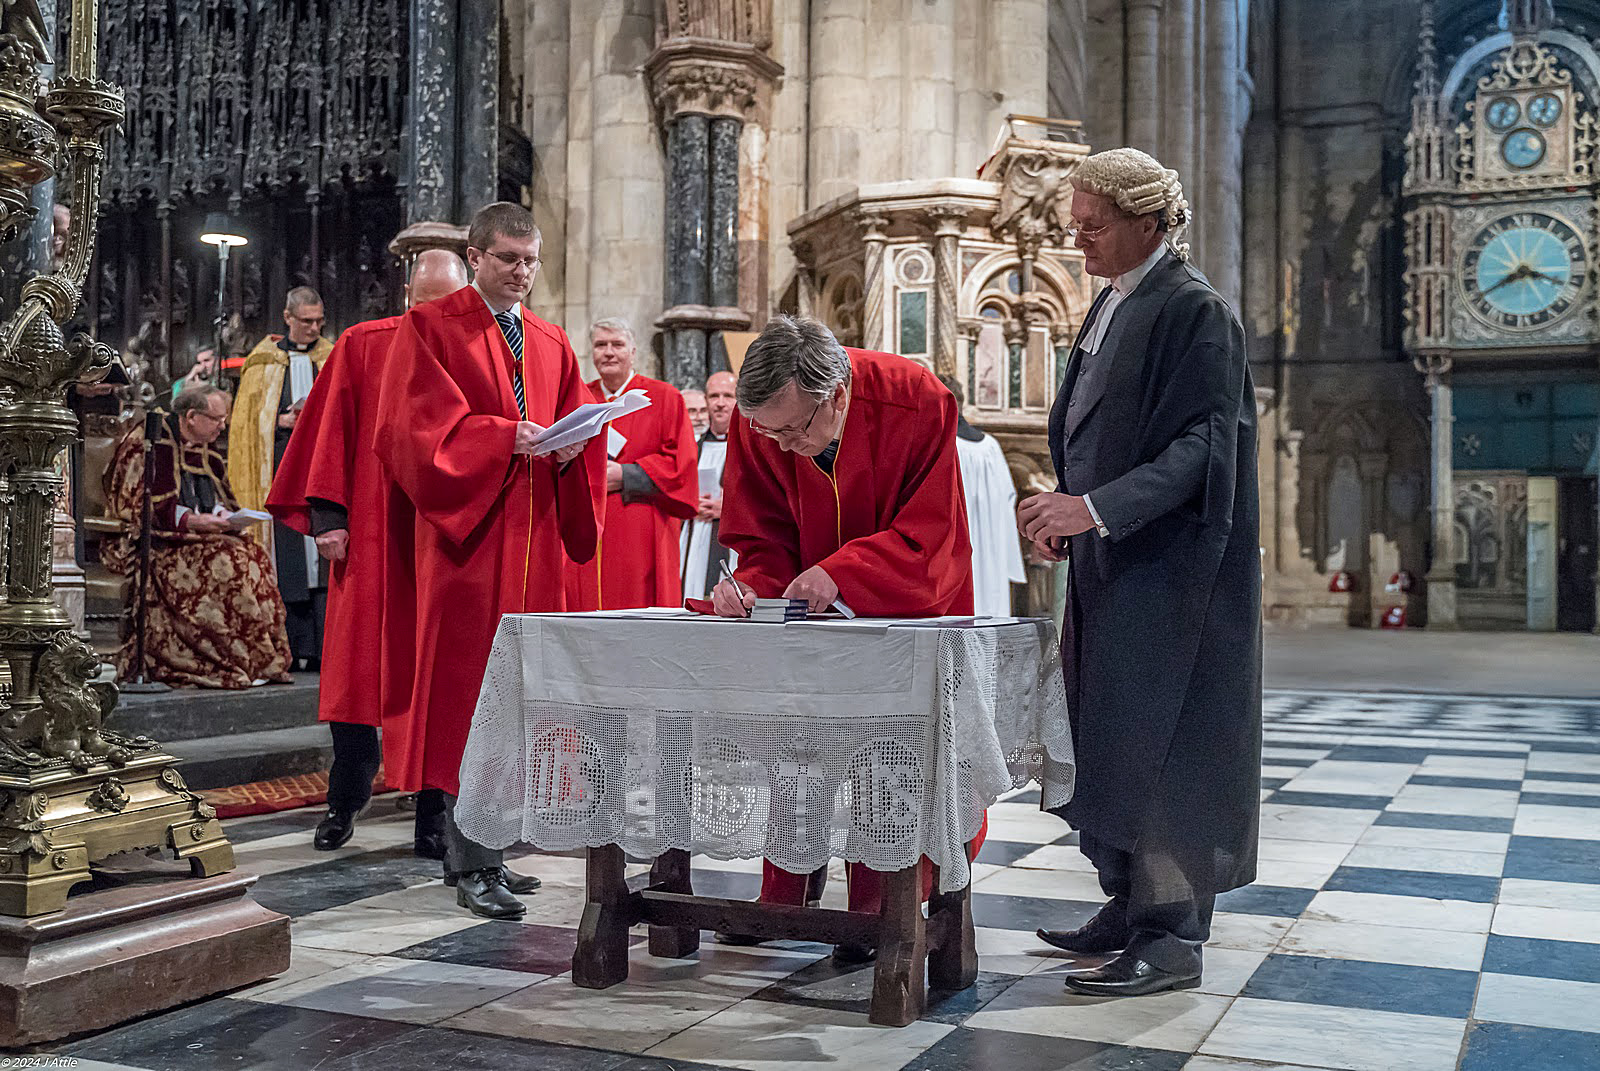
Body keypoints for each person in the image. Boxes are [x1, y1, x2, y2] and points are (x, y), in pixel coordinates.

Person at [1017, 147, 1261, 997]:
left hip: (1174, 577)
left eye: (1093, 225)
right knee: (1114, 738)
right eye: (1075, 224)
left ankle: (1172, 935)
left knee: (1168, 751)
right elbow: (1101, 427)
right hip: (1115, 563)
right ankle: (1127, 902)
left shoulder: (1197, 310)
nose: (1077, 239)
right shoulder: (1115, 299)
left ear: (1149, 222)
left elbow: (1203, 449)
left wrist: (1093, 508)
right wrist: (1068, 512)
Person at [708, 315, 980, 962]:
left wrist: (844, 573)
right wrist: (751, 586)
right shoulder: (764, 421)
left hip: (903, 609)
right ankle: (785, 891)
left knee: (890, 756)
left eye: (794, 430)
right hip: (807, 626)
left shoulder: (916, 399)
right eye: (767, 432)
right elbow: (762, 532)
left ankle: (879, 908)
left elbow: (933, 533)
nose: (783, 447)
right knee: (794, 743)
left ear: (836, 394)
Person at [373, 202, 603, 919]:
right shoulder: (430, 327)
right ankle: (469, 860)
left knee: (520, 702)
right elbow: (411, 431)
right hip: (468, 546)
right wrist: (504, 437)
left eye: (531, 260)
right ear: (475, 257)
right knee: (467, 699)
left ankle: (492, 851)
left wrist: (574, 447)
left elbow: (575, 426)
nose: (522, 272)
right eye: (508, 258)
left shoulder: (552, 340)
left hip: (534, 548)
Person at [266, 250, 469, 858]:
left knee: (437, 681)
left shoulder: (477, 352)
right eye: (424, 301)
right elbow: (330, 430)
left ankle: (433, 818)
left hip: (441, 540)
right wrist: (329, 519)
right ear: (406, 296)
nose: (434, 314)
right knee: (358, 674)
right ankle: (344, 799)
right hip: (373, 534)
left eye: (447, 303)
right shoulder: (363, 344)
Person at [102, 386, 293, 689]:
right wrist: (191, 520)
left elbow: (212, 496)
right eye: (216, 419)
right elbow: (138, 503)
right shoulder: (152, 440)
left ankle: (258, 660)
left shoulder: (206, 449)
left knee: (253, 554)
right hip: (158, 542)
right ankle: (220, 659)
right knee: (228, 563)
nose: (222, 427)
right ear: (191, 416)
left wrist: (221, 514)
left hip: (197, 538)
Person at [228, 286, 336, 670]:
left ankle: (323, 650)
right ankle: (289, 648)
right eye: (306, 321)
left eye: (319, 321)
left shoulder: (333, 357)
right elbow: (246, 425)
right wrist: (280, 420)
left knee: (322, 560)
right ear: (287, 318)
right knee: (288, 556)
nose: (314, 328)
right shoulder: (262, 363)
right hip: (278, 468)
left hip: (321, 471)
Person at [563, 318, 698, 610]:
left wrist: (627, 474)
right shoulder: (579, 398)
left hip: (642, 525)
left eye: (617, 345)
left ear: (633, 352)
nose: (609, 352)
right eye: (601, 345)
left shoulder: (664, 397)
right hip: (587, 525)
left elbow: (681, 465)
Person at [938, 374, 1026, 617]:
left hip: (956, 558)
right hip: (992, 554)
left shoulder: (945, 445)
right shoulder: (991, 446)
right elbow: (1009, 501)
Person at [680, 370, 738, 601]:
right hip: (693, 535)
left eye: (728, 396)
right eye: (714, 396)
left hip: (730, 541)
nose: (720, 403)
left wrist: (731, 508)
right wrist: (688, 501)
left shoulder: (751, 448)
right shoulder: (691, 447)